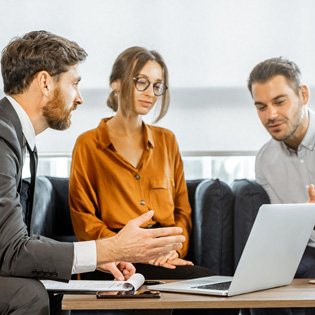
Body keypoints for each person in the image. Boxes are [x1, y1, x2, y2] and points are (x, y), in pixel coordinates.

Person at [0, 31, 186, 315]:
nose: (79, 98)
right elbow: (12, 251)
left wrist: (96, 257)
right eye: (74, 83)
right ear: (45, 83)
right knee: (29, 295)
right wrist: (111, 249)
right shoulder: (3, 135)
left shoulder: (16, 135)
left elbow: (16, 241)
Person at [69, 46, 238, 315]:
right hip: (115, 263)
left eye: (157, 85)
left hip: (163, 258)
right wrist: (125, 251)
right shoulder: (88, 144)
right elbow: (84, 219)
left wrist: (172, 251)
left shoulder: (167, 141)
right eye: (142, 82)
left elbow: (183, 213)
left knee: (219, 289)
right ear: (116, 83)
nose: (150, 92)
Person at [247, 57, 315, 315]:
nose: (270, 115)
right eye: (261, 106)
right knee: (256, 285)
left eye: (279, 101)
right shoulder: (265, 159)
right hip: (303, 250)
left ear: (303, 95)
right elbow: (283, 230)